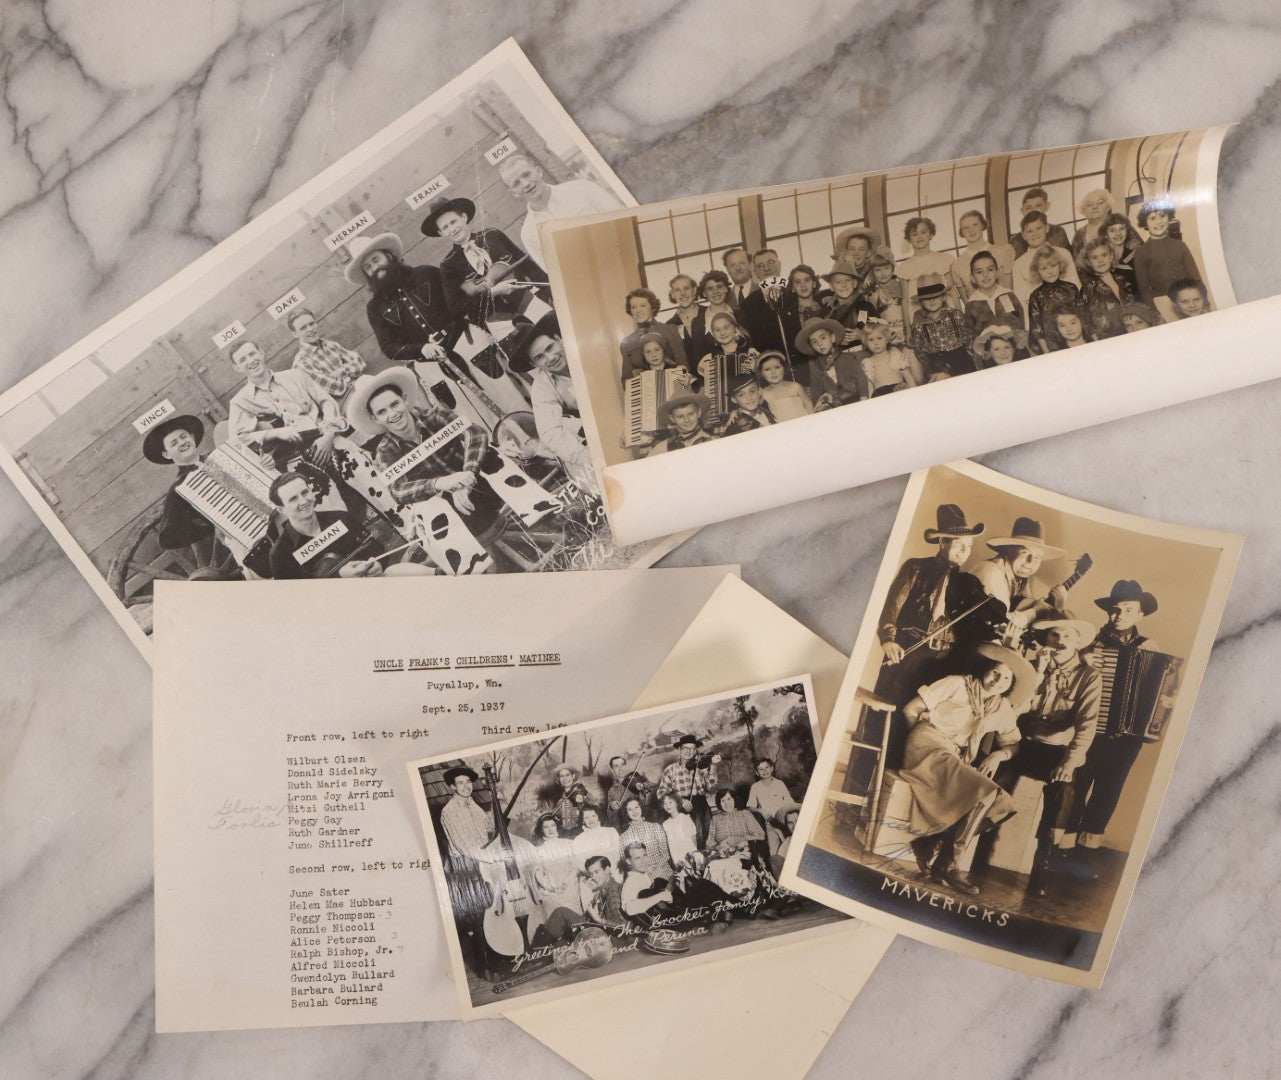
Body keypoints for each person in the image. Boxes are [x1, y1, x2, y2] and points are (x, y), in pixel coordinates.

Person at [899, 642, 1036, 893]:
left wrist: (998, 755)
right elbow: (911, 709)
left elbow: (1014, 742)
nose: (998, 680)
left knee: (1001, 802)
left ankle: (930, 844)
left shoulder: (1000, 707)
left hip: (952, 755)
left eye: (1006, 678)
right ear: (985, 668)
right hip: (927, 745)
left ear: (1011, 684)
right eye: (996, 672)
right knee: (986, 792)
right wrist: (922, 742)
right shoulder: (956, 683)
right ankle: (949, 866)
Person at [997, 618, 1101, 897]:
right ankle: (950, 847)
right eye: (1054, 635)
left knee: (1065, 790)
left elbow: (1087, 724)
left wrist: (1069, 763)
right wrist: (1038, 674)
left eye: (1067, 635)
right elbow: (1014, 710)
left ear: (1078, 641)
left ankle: (1042, 867)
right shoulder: (1031, 667)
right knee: (995, 779)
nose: (1060, 641)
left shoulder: (1089, 676)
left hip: (1056, 750)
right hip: (1021, 743)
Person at [346, 369, 502, 542]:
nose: (392, 414)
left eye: (394, 404)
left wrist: (468, 474)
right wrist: (440, 483)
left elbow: (475, 433)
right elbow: (398, 490)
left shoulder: (434, 416)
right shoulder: (385, 451)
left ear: (405, 400)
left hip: (476, 481)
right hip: (448, 504)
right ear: (375, 419)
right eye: (382, 412)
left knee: (493, 460)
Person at [1073, 580, 1165, 849]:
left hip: (1128, 737)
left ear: (1140, 614)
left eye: (1127, 609)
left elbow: (1162, 690)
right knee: (1077, 786)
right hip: (1091, 729)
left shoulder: (1149, 647)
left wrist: (1161, 709)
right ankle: (1061, 845)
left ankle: (1084, 849)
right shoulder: (1092, 643)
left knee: (1108, 791)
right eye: (1115, 610)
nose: (1120, 615)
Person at [874, 503, 995, 706]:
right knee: (887, 709)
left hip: (943, 661)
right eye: (958, 544)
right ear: (942, 542)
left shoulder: (968, 583)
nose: (965, 551)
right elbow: (891, 606)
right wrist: (888, 639)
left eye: (969, 546)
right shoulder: (916, 568)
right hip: (909, 650)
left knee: (917, 717)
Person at [345, 233, 458, 407]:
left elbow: (456, 303)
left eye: (376, 260)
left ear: (388, 256)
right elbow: (389, 348)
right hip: (430, 366)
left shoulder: (425, 273)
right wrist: (421, 349)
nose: (375, 268)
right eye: (368, 267)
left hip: (464, 343)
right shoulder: (375, 307)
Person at [421, 195, 547, 324]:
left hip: (529, 300)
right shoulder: (448, 265)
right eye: (445, 227)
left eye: (453, 222)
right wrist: (492, 293)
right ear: (441, 233)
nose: (452, 229)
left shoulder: (493, 235)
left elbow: (529, 267)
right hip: (498, 321)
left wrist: (552, 293)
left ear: (464, 217)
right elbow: (456, 307)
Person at [504, 311, 593, 487]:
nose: (550, 358)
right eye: (539, 357)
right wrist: (588, 457)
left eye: (550, 348)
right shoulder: (542, 387)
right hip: (590, 438)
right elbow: (550, 433)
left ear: (558, 339)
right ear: (533, 365)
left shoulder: (587, 348)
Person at [498, 153, 622, 268]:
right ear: (514, 193)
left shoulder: (583, 188)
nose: (525, 184)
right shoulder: (529, 234)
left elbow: (624, 219)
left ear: (538, 171)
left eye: (526, 175)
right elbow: (557, 275)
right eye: (516, 183)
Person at [969, 516, 1071, 644]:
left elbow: (1032, 631)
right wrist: (1035, 611)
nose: (1030, 562)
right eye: (1025, 553)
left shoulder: (1022, 583)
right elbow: (999, 625)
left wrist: (1059, 609)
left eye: (1037, 557)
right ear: (1009, 550)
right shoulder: (990, 571)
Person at [265, 471, 383, 579]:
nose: (304, 501)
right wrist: (339, 577)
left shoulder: (342, 519)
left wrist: (378, 564)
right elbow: (297, 597)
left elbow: (377, 549)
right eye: (293, 499)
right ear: (282, 510)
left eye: (305, 493)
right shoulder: (280, 554)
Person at [142, 414, 216, 551]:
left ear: (192, 437)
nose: (182, 443)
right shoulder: (179, 488)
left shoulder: (219, 457)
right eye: (174, 443)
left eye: (183, 437)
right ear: (167, 454)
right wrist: (211, 527)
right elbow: (167, 539)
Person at [1133, 197, 1203, 322]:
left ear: (1169, 218)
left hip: (1188, 299)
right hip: (1162, 304)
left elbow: (1196, 278)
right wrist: (1155, 312)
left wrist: (1205, 303)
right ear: (1145, 223)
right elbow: (1144, 289)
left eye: (1162, 216)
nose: (1158, 222)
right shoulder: (1141, 252)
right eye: (1153, 218)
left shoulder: (1180, 245)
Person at [287, 309, 367, 411]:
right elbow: (337, 388)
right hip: (339, 405)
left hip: (356, 387)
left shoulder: (329, 344)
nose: (310, 329)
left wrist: (338, 372)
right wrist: (349, 373)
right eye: (303, 328)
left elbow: (359, 362)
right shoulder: (302, 363)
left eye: (312, 323)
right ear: (295, 334)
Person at [908, 273, 975, 379]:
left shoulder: (955, 314)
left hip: (960, 358)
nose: (931, 300)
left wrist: (968, 355)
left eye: (936, 296)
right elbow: (918, 346)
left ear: (944, 297)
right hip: (936, 363)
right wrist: (930, 363)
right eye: (926, 298)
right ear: (920, 301)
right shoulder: (918, 320)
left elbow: (968, 337)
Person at [1012, 212, 1080, 313]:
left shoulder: (1063, 253)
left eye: (1039, 228)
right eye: (1029, 231)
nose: (1035, 233)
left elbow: (1075, 285)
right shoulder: (1018, 264)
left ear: (1047, 228)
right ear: (1023, 235)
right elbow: (1020, 299)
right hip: (1037, 314)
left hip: (1067, 309)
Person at [793, 316, 865, 403]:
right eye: (814, 342)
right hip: (835, 404)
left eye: (823, 338)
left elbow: (861, 378)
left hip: (855, 397)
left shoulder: (848, 357)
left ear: (833, 338)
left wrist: (864, 398)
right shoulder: (815, 365)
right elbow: (816, 389)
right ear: (811, 346)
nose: (820, 343)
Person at [619, 288, 686, 380]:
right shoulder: (627, 343)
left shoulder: (670, 330)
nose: (638, 310)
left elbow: (683, 365)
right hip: (644, 391)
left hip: (675, 385)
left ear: (652, 307)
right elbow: (626, 380)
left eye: (643, 305)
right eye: (633, 307)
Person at [1025, 246, 1082, 354]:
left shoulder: (1071, 288)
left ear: (1060, 265)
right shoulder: (1036, 296)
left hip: (1077, 342)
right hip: (1053, 348)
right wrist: (1047, 352)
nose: (1050, 271)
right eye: (1044, 268)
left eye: (1053, 265)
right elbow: (1037, 328)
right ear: (1037, 271)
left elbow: (1084, 317)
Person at [1078, 238, 1136, 340]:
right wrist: (1095, 339)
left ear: (1111, 256)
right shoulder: (1087, 287)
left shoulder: (1121, 279)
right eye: (1094, 257)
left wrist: (1112, 283)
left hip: (1125, 333)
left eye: (1104, 255)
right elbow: (1085, 317)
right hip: (1101, 338)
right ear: (1088, 262)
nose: (1100, 260)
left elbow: (1129, 304)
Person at [898, 216, 958, 314]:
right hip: (919, 318)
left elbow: (952, 292)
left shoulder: (944, 259)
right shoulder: (904, 268)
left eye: (924, 232)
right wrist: (908, 327)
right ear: (909, 239)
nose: (919, 236)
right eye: (914, 234)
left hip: (947, 314)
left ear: (931, 234)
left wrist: (961, 316)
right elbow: (905, 301)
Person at [737, 248, 791, 356]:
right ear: (755, 272)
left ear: (779, 265)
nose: (766, 268)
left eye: (771, 262)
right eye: (760, 265)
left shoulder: (794, 294)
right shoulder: (748, 305)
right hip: (770, 367)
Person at [951, 210, 1015, 298]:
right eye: (966, 228)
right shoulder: (957, 265)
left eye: (975, 225)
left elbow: (1010, 291)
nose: (971, 230)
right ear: (962, 232)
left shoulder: (1003, 252)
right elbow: (967, 303)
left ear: (983, 225)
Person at [438, 766, 495, 861]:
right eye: (460, 783)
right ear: (453, 787)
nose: (466, 786)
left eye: (468, 782)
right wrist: (490, 859)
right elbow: (462, 844)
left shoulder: (473, 805)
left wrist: (495, 805)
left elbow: (489, 827)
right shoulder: (449, 811)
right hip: (467, 860)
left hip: (484, 854)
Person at [962, 250, 1024, 335]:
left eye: (990, 270)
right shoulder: (971, 305)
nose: (985, 275)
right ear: (972, 278)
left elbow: (1021, 320)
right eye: (979, 272)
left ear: (997, 273)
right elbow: (971, 334)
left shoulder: (1009, 295)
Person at [531, 813, 584, 913]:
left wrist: (564, 885)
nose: (550, 830)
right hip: (550, 890)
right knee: (555, 917)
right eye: (546, 827)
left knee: (572, 915)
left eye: (552, 825)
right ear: (542, 830)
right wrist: (550, 887)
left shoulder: (568, 844)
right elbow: (538, 872)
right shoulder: (538, 850)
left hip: (569, 887)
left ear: (557, 826)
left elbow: (575, 867)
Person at [746, 758, 800, 855]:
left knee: (791, 848)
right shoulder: (755, 787)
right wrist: (761, 810)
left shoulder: (779, 783)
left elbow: (789, 802)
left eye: (767, 767)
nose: (765, 771)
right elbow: (749, 807)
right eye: (761, 769)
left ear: (772, 768)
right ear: (757, 773)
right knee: (774, 853)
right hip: (770, 823)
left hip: (785, 822)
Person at [656, 734, 721, 811]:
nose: (688, 751)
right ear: (680, 749)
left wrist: (713, 765)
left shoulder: (700, 767)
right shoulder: (670, 769)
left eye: (692, 748)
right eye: (685, 748)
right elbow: (661, 793)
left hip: (701, 808)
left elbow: (710, 786)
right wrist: (679, 800)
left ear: (695, 750)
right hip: (680, 808)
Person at [859, 319, 923, 397]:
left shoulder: (896, 356)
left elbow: (909, 377)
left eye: (879, 338)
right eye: (871, 340)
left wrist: (916, 395)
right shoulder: (868, 363)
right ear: (866, 342)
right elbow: (870, 386)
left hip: (898, 391)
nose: (875, 343)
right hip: (880, 395)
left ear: (886, 339)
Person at [823, 258, 877, 347]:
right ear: (831, 286)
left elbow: (881, 334)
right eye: (838, 282)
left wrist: (862, 336)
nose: (843, 285)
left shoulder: (866, 307)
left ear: (855, 283)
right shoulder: (827, 312)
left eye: (847, 280)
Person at [646, 392, 717, 454]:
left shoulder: (714, 442)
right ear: (672, 419)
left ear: (699, 413)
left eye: (690, 414)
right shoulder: (662, 448)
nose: (687, 420)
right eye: (680, 417)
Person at [618, 797, 672, 878]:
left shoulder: (655, 827)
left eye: (636, 807)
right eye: (630, 809)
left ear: (641, 808)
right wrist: (644, 871)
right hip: (639, 875)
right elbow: (626, 862)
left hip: (661, 870)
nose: (634, 811)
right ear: (626, 813)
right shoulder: (623, 838)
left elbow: (665, 854)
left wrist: (655, 869)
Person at [1008, 188, 1072, 256]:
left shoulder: (1058, 232)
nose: (1033, 211)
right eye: (1028, 208)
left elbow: (1068, 258)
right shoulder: (1015, 241)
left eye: (1038, 206)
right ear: (1022, 211)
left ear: (1047, 206)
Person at [705, 788, 766, 859]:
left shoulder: (745, 814)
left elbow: (760, 835)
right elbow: (709, 842)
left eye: (729, 799)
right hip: (723, 855)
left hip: (746, 854)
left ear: (734, 799)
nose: (726, 803)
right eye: (722, 801)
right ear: (719, 803)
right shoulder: (715, 818)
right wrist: (717, 847)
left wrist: (740, 839)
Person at [619, 841, 674, 918]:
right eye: (637, 858)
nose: (643, 861)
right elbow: (629, 909)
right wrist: (660, 896)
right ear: (628, 861)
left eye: (644, 855)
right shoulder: (631, 882)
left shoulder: (642, 874)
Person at [757, 350, 815, 420]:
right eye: (767, 369)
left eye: (777, 367)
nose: (773, 372)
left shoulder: (795, 387)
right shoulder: (764, 393)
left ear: (784, 368)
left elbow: (808, 404)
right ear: (761, 374)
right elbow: (757, 410)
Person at [602, 754, 655, 829]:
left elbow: (652, 795)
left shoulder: (637, 779)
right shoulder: (612, 791)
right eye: (616, 766)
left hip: (645, 821)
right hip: (626, 826)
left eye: (622, 765)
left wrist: (644, 789)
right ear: (612, 770)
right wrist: (612, 805)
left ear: (626, 766)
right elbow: (610, 815)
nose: (620, 768)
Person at [665, 273, 710, 361]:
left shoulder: (709, 312)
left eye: (686, 288)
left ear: (694, 290)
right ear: (673, 295)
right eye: (677, 290)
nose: (683, 293)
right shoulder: (669, 326)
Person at [717, 371, 778, 435]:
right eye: (741, 395)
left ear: (759, 391)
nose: (749, 398)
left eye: (752, 391)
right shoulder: (735, 424)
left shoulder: (767, 410)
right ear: (734, 399)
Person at [1070, 188, 1117, 267]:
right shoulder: (1079, 234)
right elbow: (1075, 264)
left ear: (1108, 207)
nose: (1094, 207)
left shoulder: (1120, 227)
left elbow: (1135, 253)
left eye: (1100, 202)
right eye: (1090, 204)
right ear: (1084, 210)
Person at [572, 805, 622, 877]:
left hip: (612, 873)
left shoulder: (610, 831)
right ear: (583, 820)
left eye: (593, 816)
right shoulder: (578, 839)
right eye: (586, 818)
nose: (590, 820)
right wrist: (592, 874)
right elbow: (580, 863)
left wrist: (609, 871)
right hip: (591, 876)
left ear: (598, 817)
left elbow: (617, 855)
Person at [831, 224, 881, 295]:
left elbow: (858, 292)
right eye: (852, 249)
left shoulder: (873, 270)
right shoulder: (840, 269)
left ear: (868, 253)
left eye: (861, 249)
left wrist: (852, 268)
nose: (856, 253)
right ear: (846, 251)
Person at [581, 855, 627, 929]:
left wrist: (599, 920)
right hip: (597, 931)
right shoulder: (603, 891)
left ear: (607, 870)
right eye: (591, 874)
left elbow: (623, 926)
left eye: (596, 872)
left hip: (614, 937)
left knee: (561, 912)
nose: (593, 877)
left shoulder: (613, 892)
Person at [1102, 211, 1143, 294]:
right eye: (1112, 230)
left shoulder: (1135, 257)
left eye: (1122, 229)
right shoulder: (1101, 259)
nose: (1118, 233)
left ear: (1127, 231)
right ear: (1105, 234)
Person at [660, 792, 699, 868]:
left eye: (670, 802)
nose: (667, 805)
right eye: (665, 803)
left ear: (677, 803)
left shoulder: (685, 819)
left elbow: (693, 840)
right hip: (676, 857)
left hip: (689, 856)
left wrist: (695, 857)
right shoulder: (665, 824)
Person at [864, 245, 904, 315]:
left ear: (892, 268)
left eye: (886, 268)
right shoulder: (872, 292)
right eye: (878, 270)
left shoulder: (902, 285)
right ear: (872, 272)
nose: (883, 273)